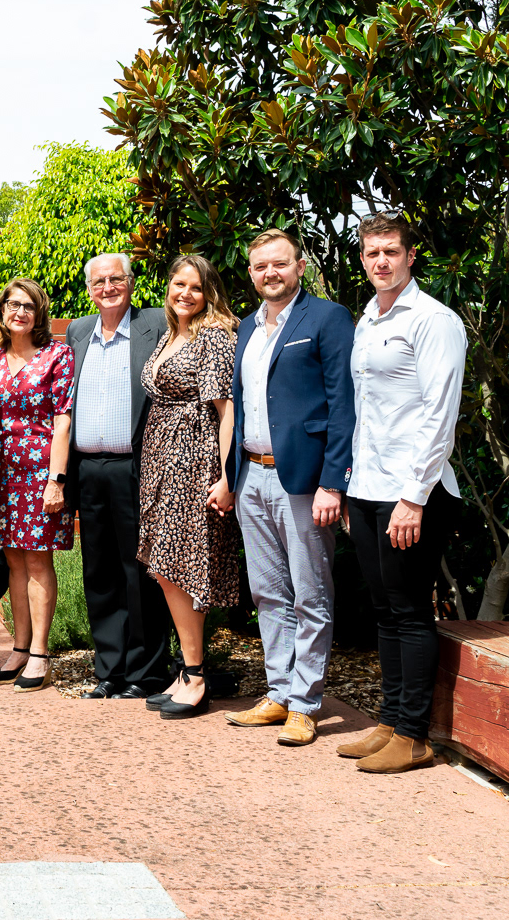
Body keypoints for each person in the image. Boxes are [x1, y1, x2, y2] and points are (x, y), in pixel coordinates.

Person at [340, 213, 466, 774]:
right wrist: (352, 489)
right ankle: (390, 721)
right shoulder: (368, 319)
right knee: (385, 609)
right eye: (372, 252)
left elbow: (440, 415)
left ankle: (414, 735)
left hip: (413, 491)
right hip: (368, 487)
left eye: (391, 251)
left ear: (410, 256)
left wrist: (414, 498)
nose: (381, 261)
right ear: (363, 258)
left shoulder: (434, 320)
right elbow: (366, 413)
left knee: (411, 610)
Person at [224, 229, 355, 748]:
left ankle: (305, 704)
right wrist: (231, 475)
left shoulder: (326, 318)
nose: (270, 273)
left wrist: (332, 482)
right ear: (251, 273)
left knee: (311, 592)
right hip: (251, 475)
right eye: (260, 266)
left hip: (303, 480)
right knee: (268, 591)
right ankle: (278, 692)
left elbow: (343, 404)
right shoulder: (246, 328)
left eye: (279, 264)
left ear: (299, 266)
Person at [65, 254, 171, 700]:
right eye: (99, 282)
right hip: (89, 470)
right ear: (89, 289)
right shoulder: (78, 331)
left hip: (136, 467)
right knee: (100, 571)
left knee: (140, 570)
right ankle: (109, 668)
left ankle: (147, 671)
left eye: (115, 279)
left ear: (130, 283)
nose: (107, 287)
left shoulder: (155, 325)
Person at [138, 255, 239, 720]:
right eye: (179, 284)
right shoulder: (171, 333)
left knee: (180, 568)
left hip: (193, 462)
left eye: (196, 287)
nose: (186, 294)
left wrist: (226, 476)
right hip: (161, 461)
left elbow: (227, 412)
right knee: (165, 567)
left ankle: (196, 676)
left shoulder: (212, 336)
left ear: (209, 293)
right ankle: (187, 670)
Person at [0, 278, 77, 693]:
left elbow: (63, 420)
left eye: (28, 306)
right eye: (13, 304)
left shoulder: (57, 355)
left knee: (38, 562)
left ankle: (40, 652)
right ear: (1, 310)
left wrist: (56, 481)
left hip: (42, 474)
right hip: (6, 476)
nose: (19, 312)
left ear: (38, 314)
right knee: (14, 561)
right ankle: (19, 647)